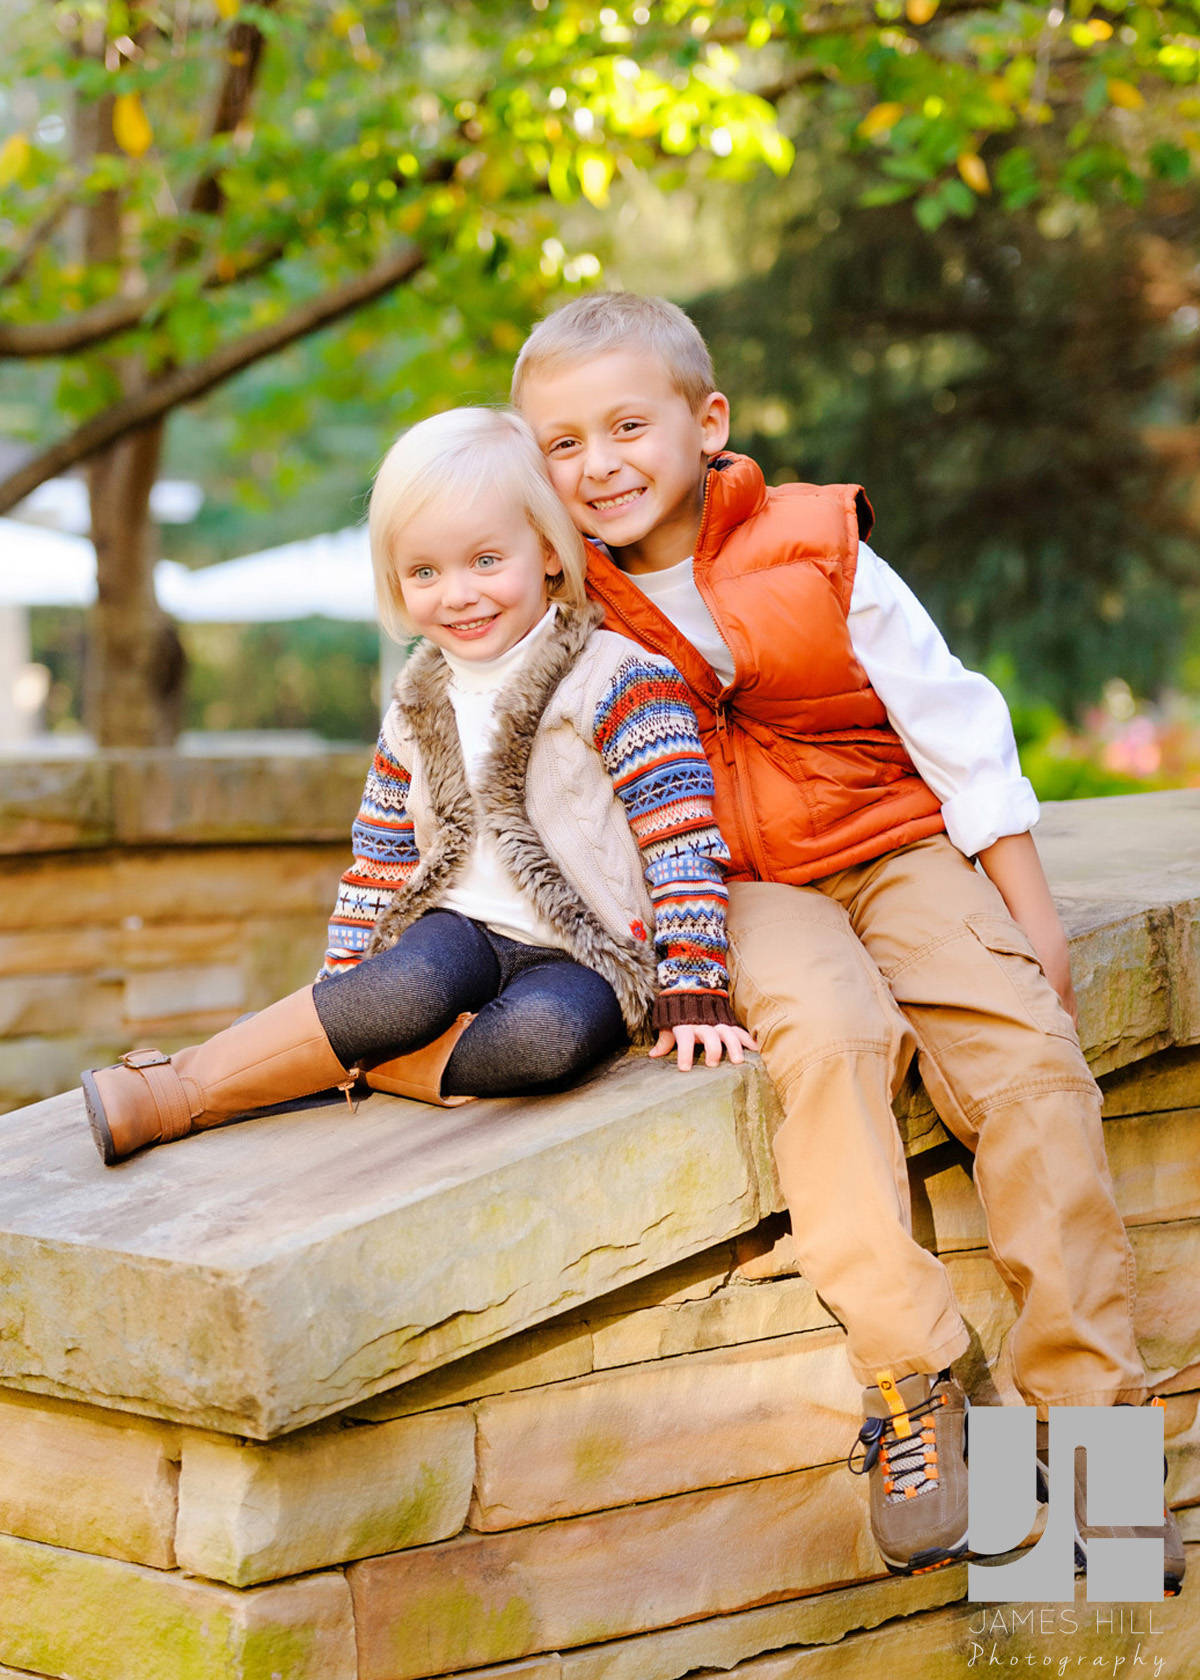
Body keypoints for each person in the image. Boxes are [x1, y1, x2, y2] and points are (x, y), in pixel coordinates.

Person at [512, 290, 1185, 1593]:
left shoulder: (814, 543)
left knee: (1032, 1073)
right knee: (831, 1039)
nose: (597, 465)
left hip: (887, 839)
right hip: (724, 889)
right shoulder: (555, 601)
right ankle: (920, 1383)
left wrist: (1026, 911)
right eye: (560, 443)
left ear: (707, 423)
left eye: (627, 425)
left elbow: (954, 720)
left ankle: (1097, 1457)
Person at [82, 407, 754, 1167]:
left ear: (549, 556)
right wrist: (340, 995)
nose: (458, 594)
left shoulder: (619, 679)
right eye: (425, 572)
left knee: (555, 1043)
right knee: (404, 988)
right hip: (456, 929)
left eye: (486, 562)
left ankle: (349, 1065)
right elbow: (379, 859)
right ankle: (176, 1089)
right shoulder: (416, 703)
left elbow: (681, 841)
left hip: (584, 950)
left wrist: (694, 980)